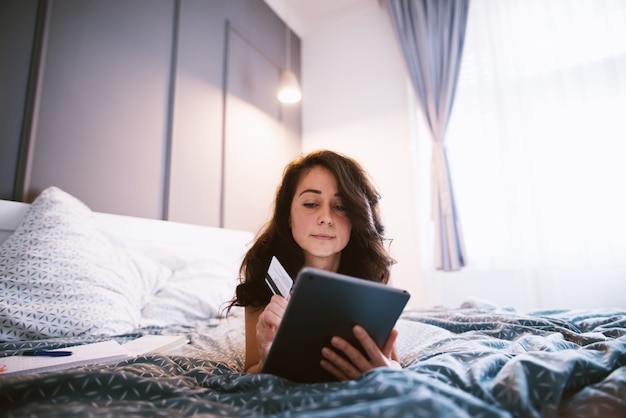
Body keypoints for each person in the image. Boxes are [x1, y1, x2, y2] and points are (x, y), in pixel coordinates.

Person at [226, 149, 399, 381]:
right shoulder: (263, 270)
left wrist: (388, 371)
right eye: (310, 204)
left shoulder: (372, 273)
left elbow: (394, 363)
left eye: (340, 206)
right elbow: (251, 368)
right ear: (287, 214)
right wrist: (266, 359)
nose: (326, 218)